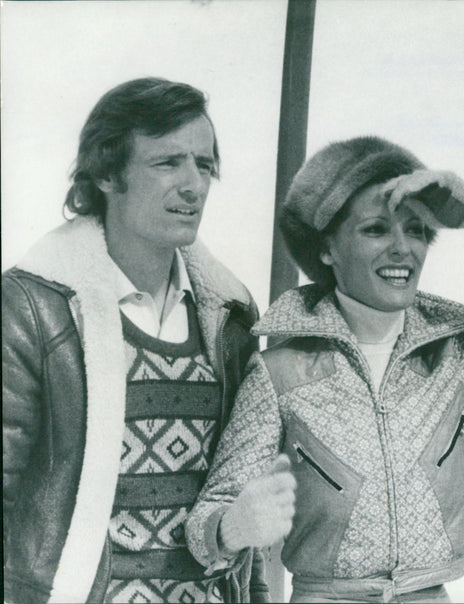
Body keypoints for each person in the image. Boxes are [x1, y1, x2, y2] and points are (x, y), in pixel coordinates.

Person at [185, 135, 464, 603]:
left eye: (417, 230)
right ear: (327, 248)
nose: (403, 249)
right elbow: (207, 521)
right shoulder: (279, 374)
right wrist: (230, 527)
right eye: (376, 230)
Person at [2, 77, 278, 603]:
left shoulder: (232, 319)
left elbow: (241, 499)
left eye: (204, 165)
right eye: (168, 162)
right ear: (107, 174)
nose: (194, 184)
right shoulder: (32, 308)